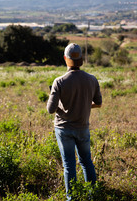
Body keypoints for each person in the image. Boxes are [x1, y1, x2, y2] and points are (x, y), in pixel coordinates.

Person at [47, 43, 102, 200]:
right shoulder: (92, 79)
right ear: (82, 60)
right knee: (86, 162)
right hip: (83, 128)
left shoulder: (59, 81)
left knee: (69, 164)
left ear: (66, 59)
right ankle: (93, 195)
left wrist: (62, 109)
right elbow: (98, 103)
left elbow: (50, 109)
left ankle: (72, 198)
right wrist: (84, 105)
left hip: (64, 129)